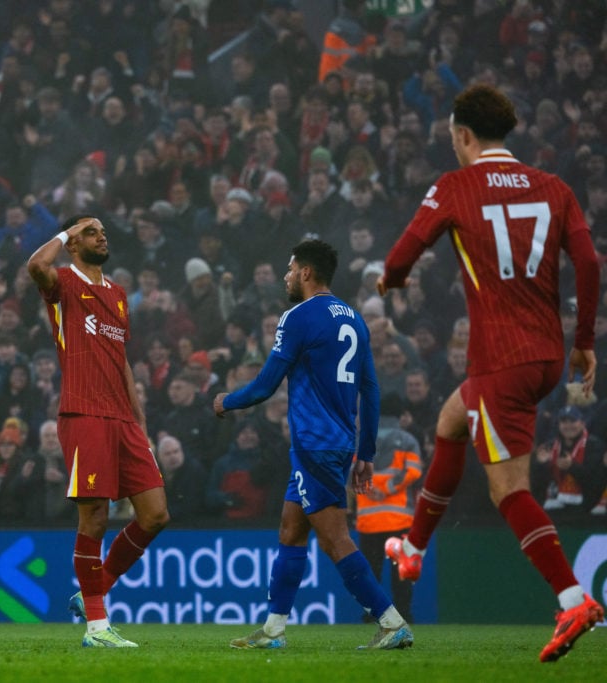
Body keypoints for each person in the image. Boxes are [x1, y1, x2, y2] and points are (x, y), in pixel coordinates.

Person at [377, 84, 604, 663]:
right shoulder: (554, 188)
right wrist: (583, 342)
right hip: (546, 354)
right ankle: (414, 549)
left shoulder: (456, 185)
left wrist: (392, 282)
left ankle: (574, 597)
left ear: (463, 136)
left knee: (510, 490)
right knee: (453, 421)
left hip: (501, 359)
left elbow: (401, 258)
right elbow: (588, 261)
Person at [214, 239, 413, 651]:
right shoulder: (355, 319)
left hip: (313, 443)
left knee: (335, 538)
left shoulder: (297, 317)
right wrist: (366, 453)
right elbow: (371, 390)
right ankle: (273, 629)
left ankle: (391, 621)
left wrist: (225, 401)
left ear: (306, 272)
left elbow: (266, 385)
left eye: (289, 269)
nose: (286, 276)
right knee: (291, 529)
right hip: (338, 442)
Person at [27, 215, 170, 648]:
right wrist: (63, 232)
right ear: (72, 243)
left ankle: (93, 592)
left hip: (123, 420)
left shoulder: (119, 295)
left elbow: (121, 359)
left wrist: (140, 418)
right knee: (95, 517)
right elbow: (35, 266)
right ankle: (96, 627)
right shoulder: (64, 283)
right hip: (83, 413)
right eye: (91, 231)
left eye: (102, 231)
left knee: (156, 515)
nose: (101, 235)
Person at [355, 422, 423, 624]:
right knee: (401, 571)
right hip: (399, 519)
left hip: (369, 519)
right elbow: (414, 471)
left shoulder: (360, 440)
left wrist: (369, 487)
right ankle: (403, 614)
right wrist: (388, 489)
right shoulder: (407, 440)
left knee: (370, 572)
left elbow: (348, 471)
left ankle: (372, 615)